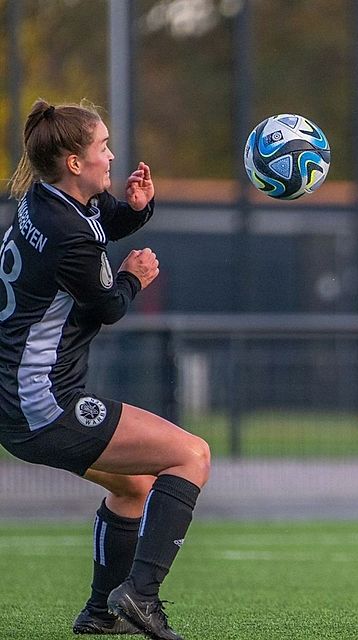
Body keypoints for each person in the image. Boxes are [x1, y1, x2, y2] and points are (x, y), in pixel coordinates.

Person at [0, 99, 209, 639]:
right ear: (74, 162)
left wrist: (139, 209)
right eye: (102, 147)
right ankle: (140, 596)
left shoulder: (44, 201)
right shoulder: (68, 231)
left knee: (135, 487)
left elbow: (102, 221)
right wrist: (135, 275)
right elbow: (106, 304)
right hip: (42, 403)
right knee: (191, 455)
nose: (112, 156)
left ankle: (100, 613)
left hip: (19, 402)